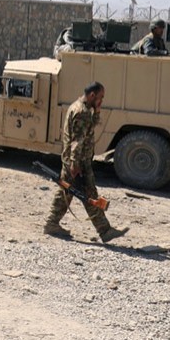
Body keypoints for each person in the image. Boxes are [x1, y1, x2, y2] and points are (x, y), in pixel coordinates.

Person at [44, 82, 128, 242]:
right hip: (78, 162)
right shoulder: (81, 112)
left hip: (77, 160)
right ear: (92, 96)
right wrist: (75, 164)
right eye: (100, 97)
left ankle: (53, 223)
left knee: (74, 193)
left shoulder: (80, 108)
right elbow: (77, 140)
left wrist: (96, 111)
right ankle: (104, 230)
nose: (102, 101)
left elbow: (90, 128)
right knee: (80, 194)